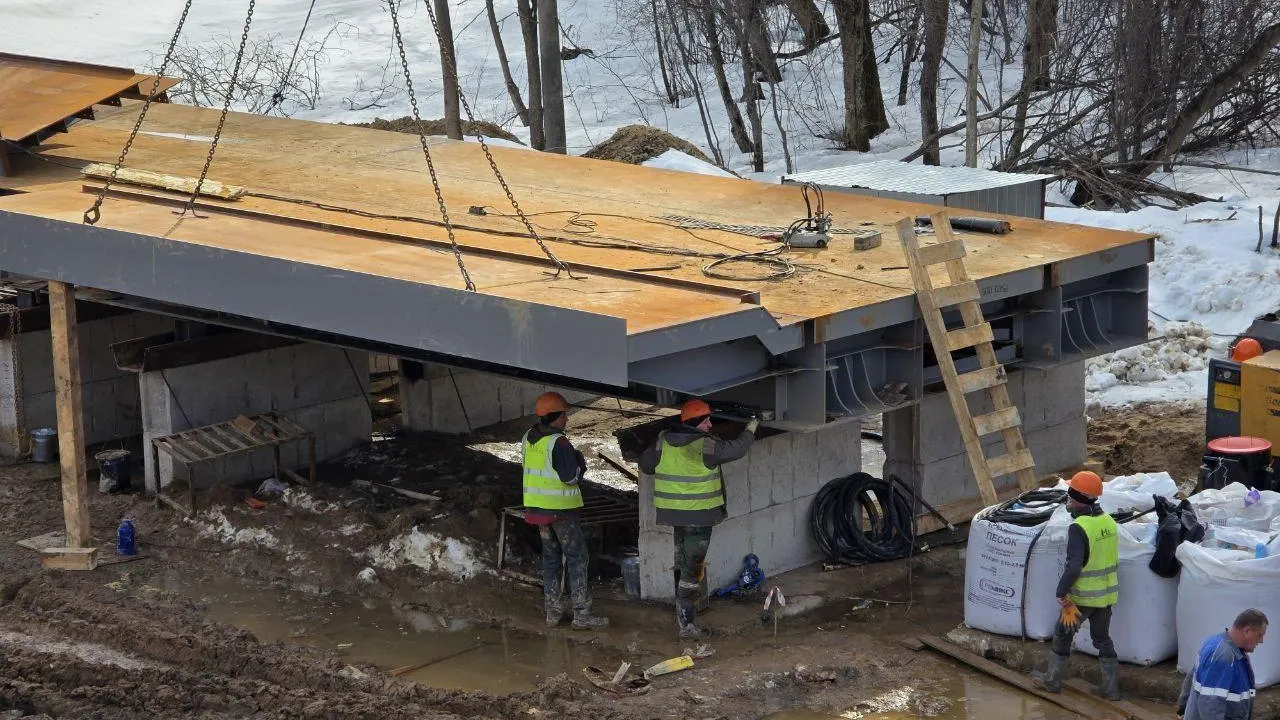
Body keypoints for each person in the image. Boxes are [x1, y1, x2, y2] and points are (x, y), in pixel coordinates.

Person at [638, 399, 757, 638]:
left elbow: (646, 466)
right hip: (699, 517)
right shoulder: (705, 445)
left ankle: (683, 616)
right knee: (692, 571)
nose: (710, 425)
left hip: (674, 516)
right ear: (694, 423)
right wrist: (751, 429)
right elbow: (737, 449)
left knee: (682, 564)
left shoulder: (664, 441)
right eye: (706, 421)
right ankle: (688, 626)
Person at [521, 392, 608, 630]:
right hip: (560, 511)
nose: (567, 419)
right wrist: (580, 464)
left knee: (551, 559)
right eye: (564, 415)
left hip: (537, 510)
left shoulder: (528, 437)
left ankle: (552, 612)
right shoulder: (559, 443)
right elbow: (570, 478)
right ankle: (582, 614)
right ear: (555, 416)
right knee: (577, 557)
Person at [1035, 470, 1120, 699]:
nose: (1069, 499)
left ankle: (1052, 681)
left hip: (1082, 598)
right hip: (1106, 597)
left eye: (1071, 494)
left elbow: (1074, 566)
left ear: (1079, 498)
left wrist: (1061, 592)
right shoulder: (1109, 522)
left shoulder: (1079, 527)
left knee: (1062, 634)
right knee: (1102, 639)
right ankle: (1110, 688)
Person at [1178, 609, 1267, 720]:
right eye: (1260, 635)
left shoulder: (1218, 644)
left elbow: (1191, 678)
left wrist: (1183, 708)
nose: (1261, 640)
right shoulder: (1223, 656)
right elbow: (1211, 706)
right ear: (1247, 631)